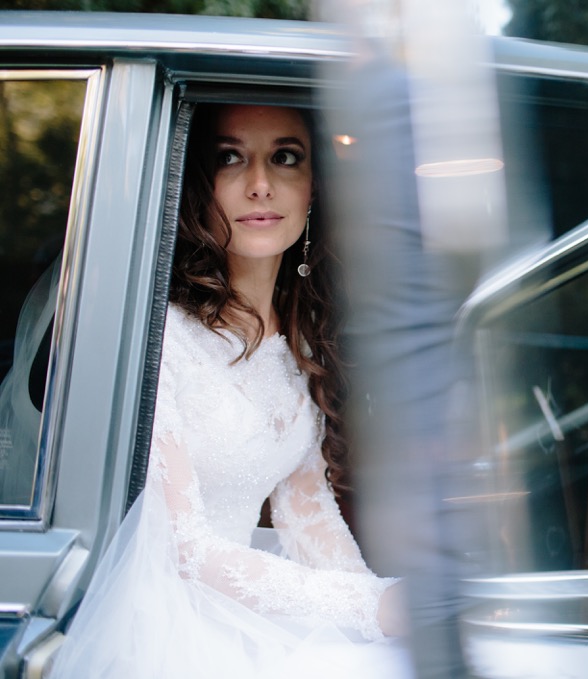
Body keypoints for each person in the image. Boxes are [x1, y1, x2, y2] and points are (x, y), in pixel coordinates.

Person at [48, 104, 409, 679]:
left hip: (251, 616)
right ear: (199, 184)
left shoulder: (301, 350)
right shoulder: (160, 340)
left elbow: (308, 516)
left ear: (313, 187)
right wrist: (370, 607)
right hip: (167, 629)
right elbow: (183, 547)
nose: (261, 185)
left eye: (285, 158)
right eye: (230, 159)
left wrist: (387, 605)